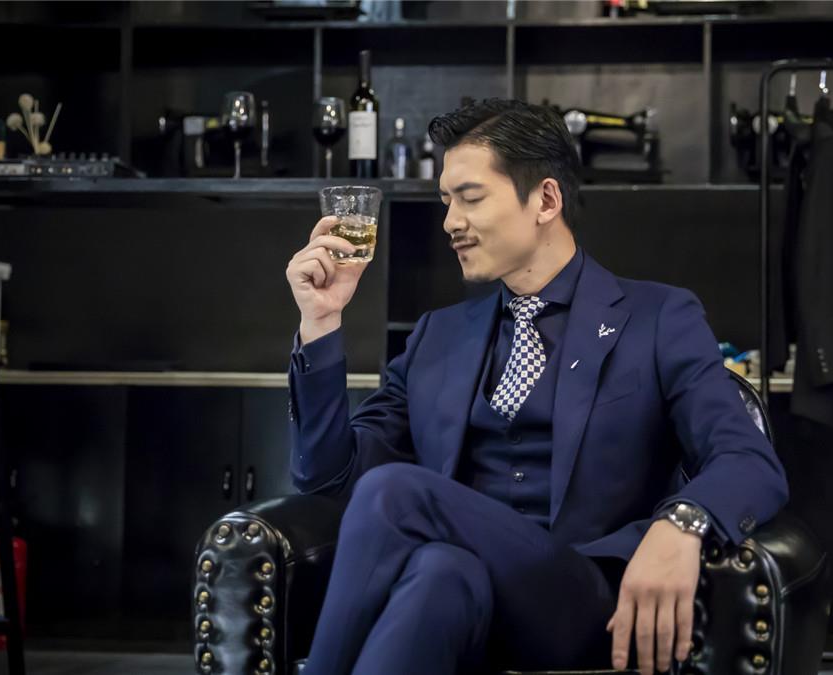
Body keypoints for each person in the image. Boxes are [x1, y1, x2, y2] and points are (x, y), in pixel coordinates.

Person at [284, 98, 788, 674]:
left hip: (585, 599)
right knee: (439, 571)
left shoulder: (659, 319)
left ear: (546, 200)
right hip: (469, 593)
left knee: (395, 491)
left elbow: (749, 460)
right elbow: (328, 476)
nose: (450, 222)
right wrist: (321, 321)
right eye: (446, 201)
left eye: (471, 198)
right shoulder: (437, 337)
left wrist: (682, 524)